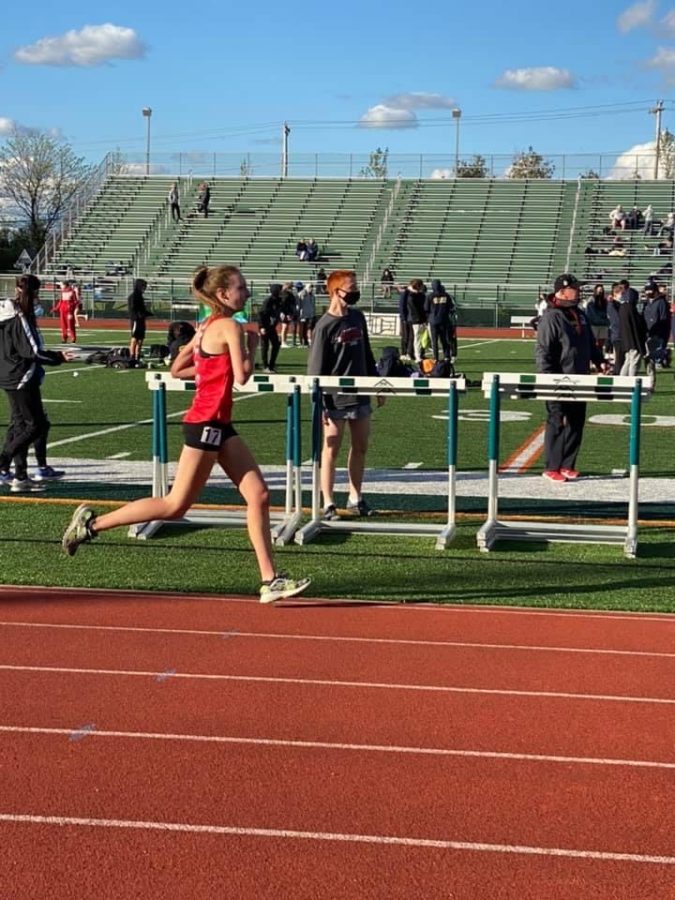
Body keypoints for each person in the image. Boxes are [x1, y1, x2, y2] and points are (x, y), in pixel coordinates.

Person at [62, 265, 310, 604]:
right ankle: (90, 526)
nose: (247, 293)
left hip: (219, 424)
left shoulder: (208, 325)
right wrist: (251, 345)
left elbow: (177, 369)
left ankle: (270, 580)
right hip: (207, 423)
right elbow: (242, 377)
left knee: (259, 495)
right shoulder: (229, 327)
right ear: (224, 294)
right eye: (242, 288)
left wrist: (206, 360)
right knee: (175, 505)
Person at [307, 269, 383, 520]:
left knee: (360, 446)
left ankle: (355, 496)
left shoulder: (357, 318)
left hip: (360, 394)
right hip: (334, 398)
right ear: (335, 292)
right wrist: (320, 404)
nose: (354, 293)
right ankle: (328, 501)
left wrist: (377, 386)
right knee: (331, 449)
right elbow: (315, 370)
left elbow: (368, 355)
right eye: (350, 289)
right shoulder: (324, 326)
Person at [0, 275, 73, 492]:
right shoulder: (18, 316)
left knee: (21, 425)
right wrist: (58, 357)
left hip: (8, 373)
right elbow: (31, 351)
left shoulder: (6, 313)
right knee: (37, 425)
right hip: (21, 375)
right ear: (32, 293)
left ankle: (20, 477)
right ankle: (3, 461)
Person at [536, 273, 605, 483]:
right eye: (574, 287)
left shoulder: (579, 313)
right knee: (557, 420)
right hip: (558, 377)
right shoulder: (551, 316)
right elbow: (544, 350)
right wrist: (547, 377)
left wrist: (599, 360)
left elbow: (589, 342)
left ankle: (567, 464)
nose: (578, 290)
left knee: (576, 420)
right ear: (562, 291)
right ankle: (551, 466)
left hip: (580, 377)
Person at [425, 279, 455, 362]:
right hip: (444, 320)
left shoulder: (430, 296)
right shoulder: (446, 295)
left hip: (433, 321)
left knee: (434, 341)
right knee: (444, 340)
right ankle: (447, 356)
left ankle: (436, 358)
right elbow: (450, 307)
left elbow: (426, 308)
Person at [619, 287, 646, 376]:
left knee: (627, 361)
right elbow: (636, 326)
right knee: (634, 362)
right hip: (633, 341)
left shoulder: (622, 308)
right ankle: (631, 381)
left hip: (626, 341)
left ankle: (621, 381)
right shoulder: (631, 309)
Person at [258, 283, 283, 373]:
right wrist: (261, 327)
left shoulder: (279, 300)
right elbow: (261, 314)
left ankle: (271, 365)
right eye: (280, 290)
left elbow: (281, 310)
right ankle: (265, 366)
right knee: (265, 346)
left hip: (272, 327)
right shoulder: (268, 301)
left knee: (276, 344)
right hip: (265, 326)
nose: (281, 292)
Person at [128, 279, 152, 363]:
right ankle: (132, 355)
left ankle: (137, 355)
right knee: (134, 338)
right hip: (136, 320)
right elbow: (133, 308)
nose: (144, 289)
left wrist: (147, 313)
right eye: (143, 287)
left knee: (141, 339)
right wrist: (139, 315)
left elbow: (141, 309)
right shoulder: (133, 296)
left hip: (141, 320)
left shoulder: (140, 296)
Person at [584, 284, 610, 351]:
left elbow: (607, 311)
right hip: (594, 324)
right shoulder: (592, 300)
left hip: (603, 325)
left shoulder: (605, 301)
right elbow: (593, 313)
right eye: (598, 290)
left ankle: (600, 356)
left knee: (601, 342)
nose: (600, 292)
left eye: (601, 290)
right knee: (595, 342)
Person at [279, 282, 299, 347]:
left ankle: (284, 341)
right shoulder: (282, 294)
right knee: (284, 327)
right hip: (284, 313)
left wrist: (291, 313)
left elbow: (292, 304)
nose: (291, 289)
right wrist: (283, 312)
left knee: (286, 327)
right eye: (290, 287)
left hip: (288, 313)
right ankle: (282, 342)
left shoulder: (290, 294)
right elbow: (282, 304)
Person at [298, 282, 316, 347]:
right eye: (310, 287)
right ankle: (302, 341)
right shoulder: (301, 294)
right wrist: (300, 314)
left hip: (311, 314)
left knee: (310, 328)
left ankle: (308, 341)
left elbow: (313, 306)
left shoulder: (312, 296)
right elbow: (299, 305)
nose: (311, 288)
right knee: (303, 328)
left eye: (312, 287)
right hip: (303, 315)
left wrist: (313, 313)